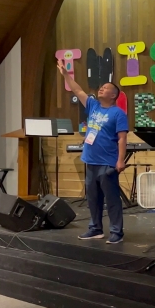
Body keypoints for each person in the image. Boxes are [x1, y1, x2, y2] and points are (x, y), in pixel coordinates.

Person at [56, 59, 129, 244]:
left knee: (112, 199)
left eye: (105, 88)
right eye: (101, 87)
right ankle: (95, 228)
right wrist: (66, 75)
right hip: (90, 160)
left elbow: (122, 138)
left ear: (113, 95)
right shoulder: (93, 106)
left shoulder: (118, 113)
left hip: (107, 162)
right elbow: (77, 90)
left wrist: (120, 160)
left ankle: (116, 232)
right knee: (93, 199)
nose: (101, 89)